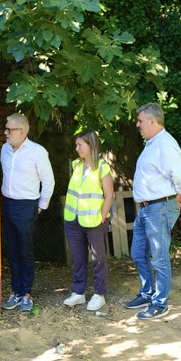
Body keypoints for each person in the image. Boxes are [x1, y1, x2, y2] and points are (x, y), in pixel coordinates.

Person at [124, 103, 181, 320]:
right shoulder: (152, 143)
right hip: (146, 208)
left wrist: (176, 194)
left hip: (158, 207)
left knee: (159, 257)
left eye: (140, 121)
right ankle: (147, 293)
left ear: (152, 121)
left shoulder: (165, 145)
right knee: (137, 253)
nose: (137, 125)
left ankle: (160, 303)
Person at [0, 113, 55, 312]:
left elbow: (48, 181)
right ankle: (15, 291)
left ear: (22, 131)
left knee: (25, 250)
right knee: (12, 250)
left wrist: (41, 206)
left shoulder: (37, 152)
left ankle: (26, 293)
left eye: (9, 130)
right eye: (5, 129)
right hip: (7, 203)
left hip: (27, 205)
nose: (6, 133)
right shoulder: (4, 149)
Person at [62, 130, 115, 311]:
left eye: (80, 145)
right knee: (78, 258)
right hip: (73, 220)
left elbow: (109, 195)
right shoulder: (76, 165)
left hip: (94, 222)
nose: (76, 149)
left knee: (98, 259)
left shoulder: (102, 168)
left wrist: (102, 218)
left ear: (91, 146)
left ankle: (99, 295)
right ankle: (79, 293)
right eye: (76, 145)